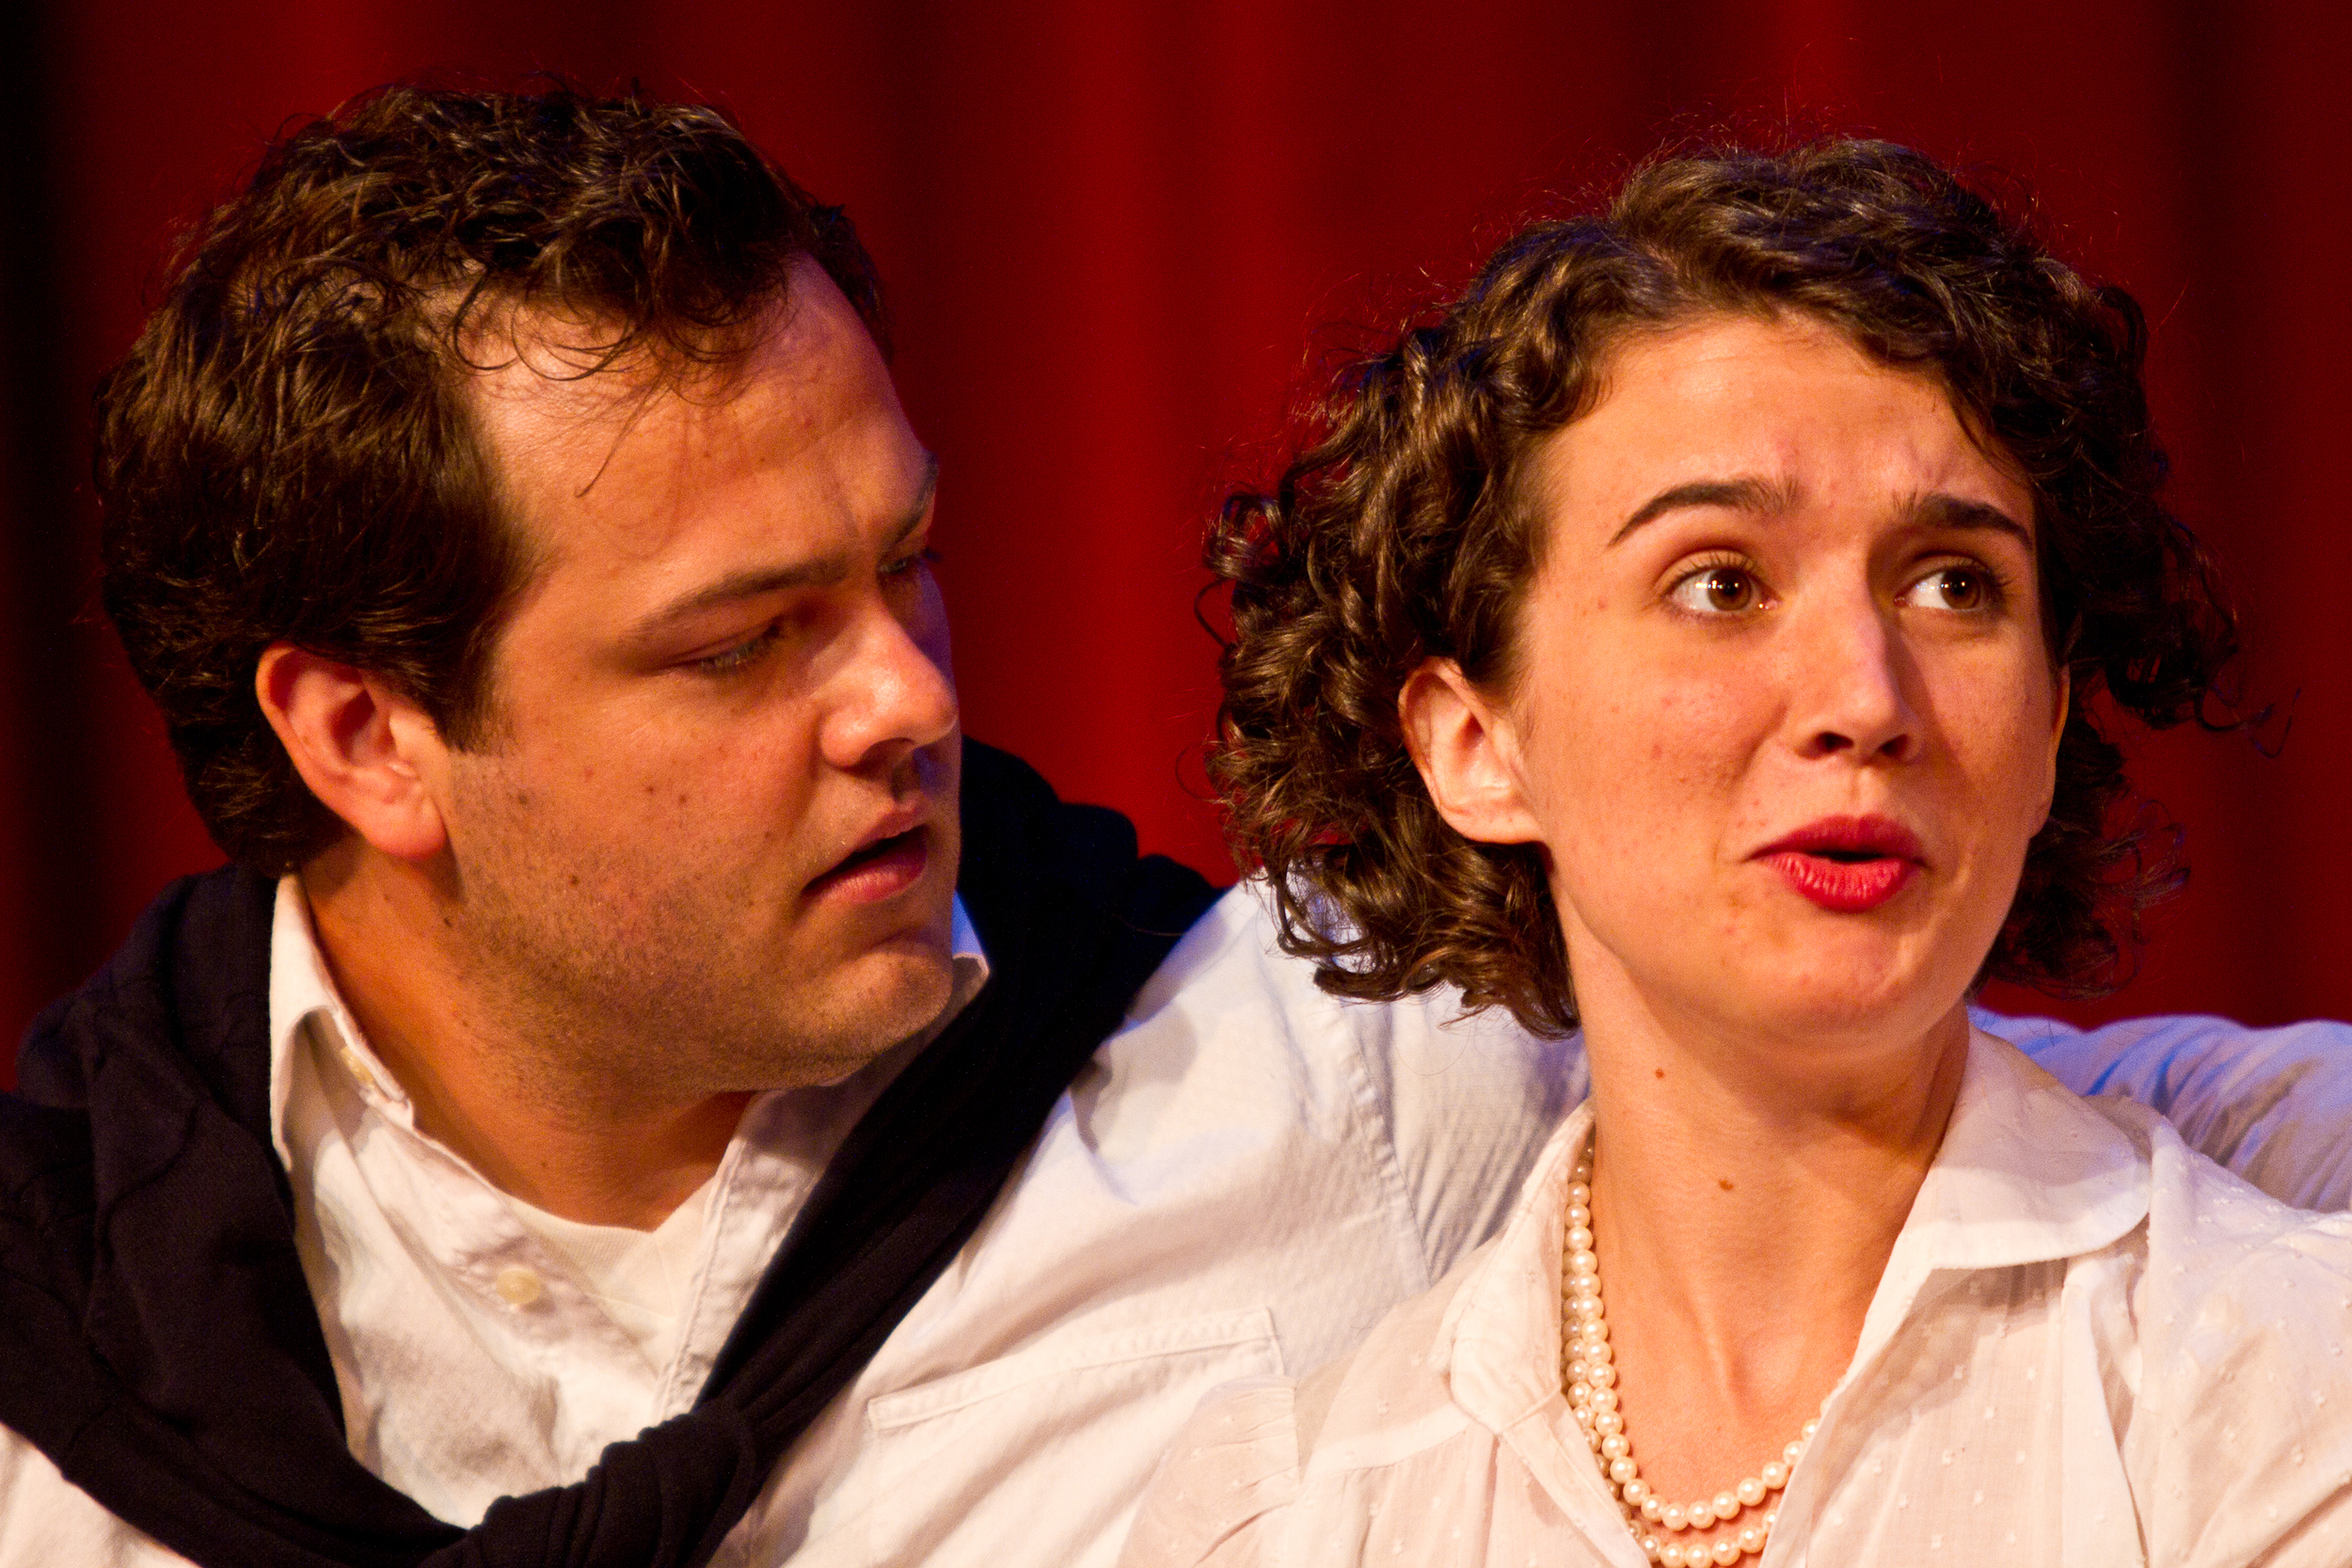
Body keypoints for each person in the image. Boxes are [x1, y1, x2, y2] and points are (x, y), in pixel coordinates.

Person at [0, 86, 2345, 1568]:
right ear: (365, 740)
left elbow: (1866, 1094)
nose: (908, 698)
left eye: (900, 562)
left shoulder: (1309, 1059)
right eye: (741, 642)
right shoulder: (69, 1375)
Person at [1121, 141, 2352, 1568]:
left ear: (2054, 724)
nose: (1866, 699)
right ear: (1476, 745)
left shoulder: (2277, 1385)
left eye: (1956, 584)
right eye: (1720, 583)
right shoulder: (1287, 1514)